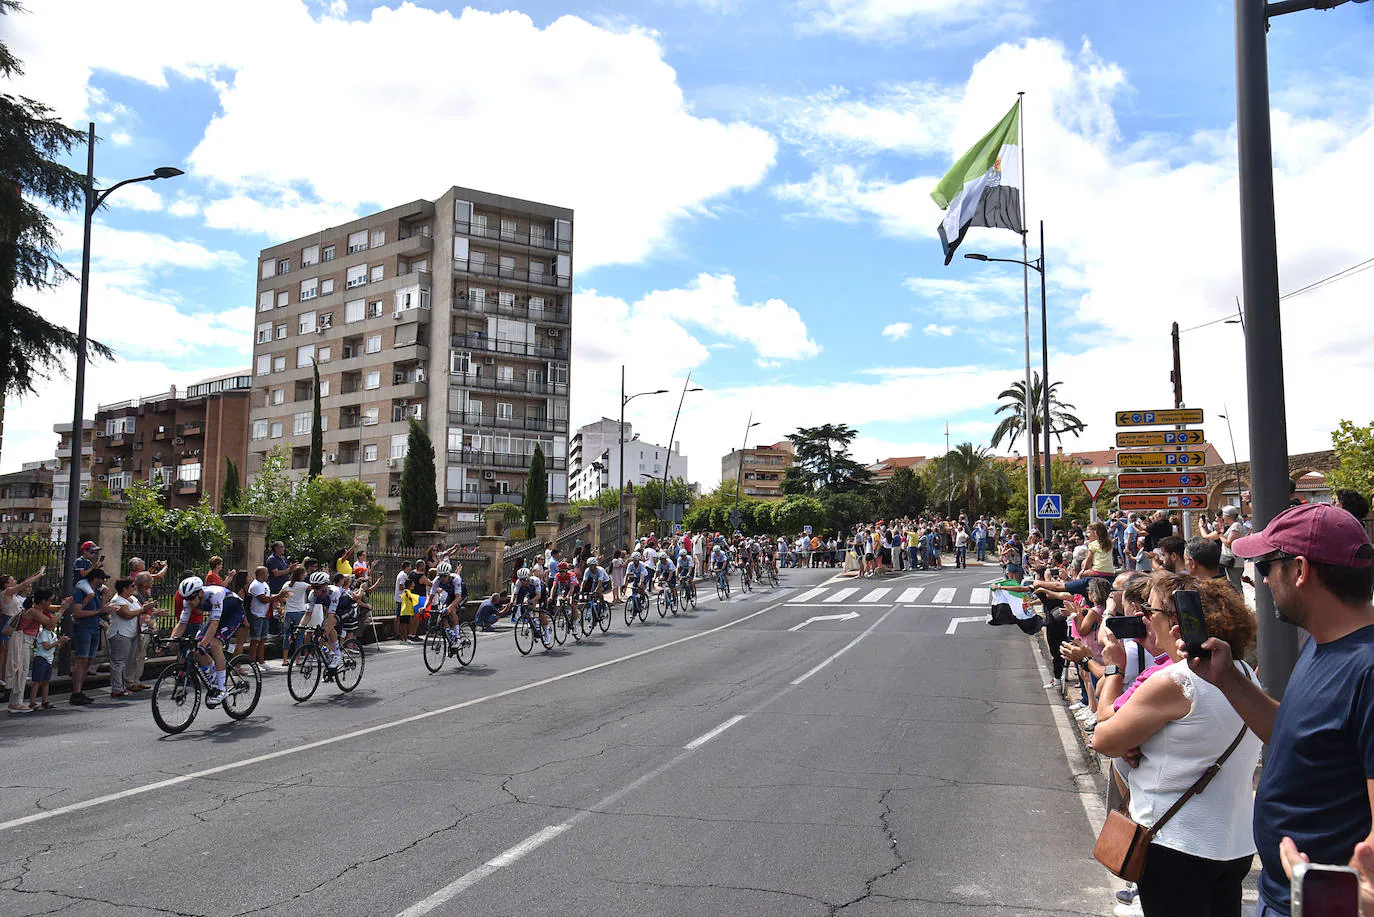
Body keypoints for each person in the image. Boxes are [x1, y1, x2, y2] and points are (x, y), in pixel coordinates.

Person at [1182, 503, 1374, 917]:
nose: (1260, 579)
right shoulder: (1324, 644)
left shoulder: (1368, 669)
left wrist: (1343, 896)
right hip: (1287, 896)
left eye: (1267, 566)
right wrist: (1228, 680)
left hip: (1324, 905)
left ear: (1300, 569)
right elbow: (1296, 740)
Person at [1091, 573, 1260, 917]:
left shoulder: (1175, 679)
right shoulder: (1241, 671)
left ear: (1175, 622)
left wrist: (1114, 674)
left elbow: (1103, 738)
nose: (1144, 619)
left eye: (1149, 611)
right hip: (1233, 843)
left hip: (1178, 844)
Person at [68, 567, 110, 705]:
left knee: (88, 661)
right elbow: (78, 612)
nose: (104, 581)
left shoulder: (97, 593)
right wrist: (97, 611)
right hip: (84, 629)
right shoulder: (82, 592)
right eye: (102, 579)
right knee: (81, 660)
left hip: (94, 628)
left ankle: (80, 689)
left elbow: (101, 610)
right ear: (95, 579)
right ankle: (76, 692)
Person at [105, 577, 143, 698]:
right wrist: (143, 609)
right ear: (124, 588)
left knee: (128, 661)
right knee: (118, 662)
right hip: (120, 633)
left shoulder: (133, 599)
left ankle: (123, 685)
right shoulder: (117, 600)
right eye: (132, 586)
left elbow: (139, 611)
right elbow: (126, 614)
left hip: (131, 633)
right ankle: (117, 688)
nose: (134, 588)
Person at [280, 564, 310, 665]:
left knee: (287, 635)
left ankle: (284, 659)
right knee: (300, 635)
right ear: (301, 575)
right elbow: (313, 588)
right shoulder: (303, 585)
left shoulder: (287, 584)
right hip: (299, 611)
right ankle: (297, 659)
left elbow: (281, 595)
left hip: (288, 611)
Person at [1217, 506, 1245, 592]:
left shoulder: (1235, 526)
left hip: (1234, 563)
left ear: (1227, 516)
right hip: (1233, 562)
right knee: (1233, 585)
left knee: (1235, 586)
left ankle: (1239, 604)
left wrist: (1219, 534)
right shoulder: (1233, 526)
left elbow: (1229, 543)